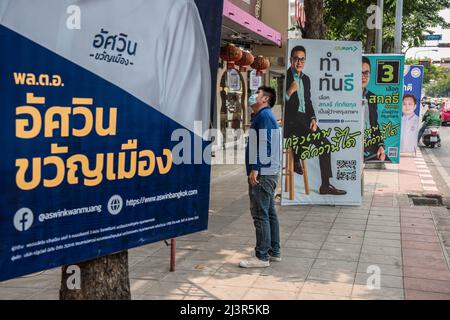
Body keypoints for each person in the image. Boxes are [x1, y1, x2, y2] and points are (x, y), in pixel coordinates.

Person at [284, 45, 346, 195]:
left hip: (305, 120)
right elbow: (279, 102)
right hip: (292, 121)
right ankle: (297, 156)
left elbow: (308, 101)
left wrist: (313, 118)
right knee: (305, 134)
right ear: (291, 59)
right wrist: (289, 92)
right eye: (296, 58)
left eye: (302, 59)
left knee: (325, 144)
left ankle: (325, 185)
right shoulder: (285, 77)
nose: (299, 62)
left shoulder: (306, 79)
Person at [240, 86, 281, 268]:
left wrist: (256, 168)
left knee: (260, 214)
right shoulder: (264, 116)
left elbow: (265, 144)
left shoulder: (264, 116)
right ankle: (274, 251)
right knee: (269, 212)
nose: (253, 95)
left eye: (257, 93)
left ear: (265, 99)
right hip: (268, 171)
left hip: (263, 173)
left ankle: (262, 256)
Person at [362, 57, 386, 162]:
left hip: (369, 145)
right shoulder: (345, 96)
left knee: (385, 159)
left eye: (366, 73)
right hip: (350, 144)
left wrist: (380, 145)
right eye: (360, 73)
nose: (363, 77)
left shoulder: (372, 97)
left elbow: (374, 124)